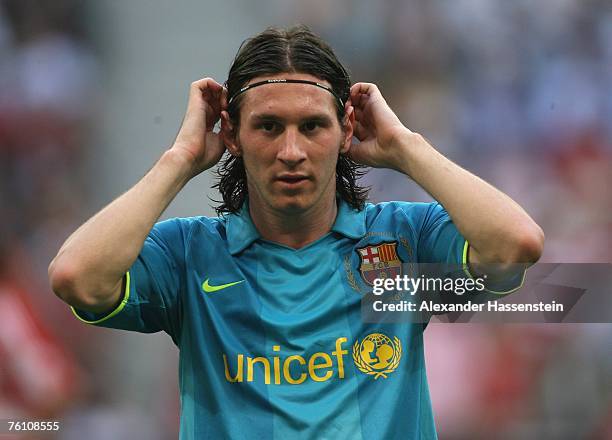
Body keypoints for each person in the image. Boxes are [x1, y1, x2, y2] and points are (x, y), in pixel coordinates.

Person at [49, 25, 544, 439]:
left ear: (346, 130)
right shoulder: (190, 254)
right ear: (233, 135)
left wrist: (406, 145)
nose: (291, 151)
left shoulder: (404, 242)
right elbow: (77, 276)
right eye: (268, 127)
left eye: (312, 126)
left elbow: (516, 245)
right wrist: (177, 161)